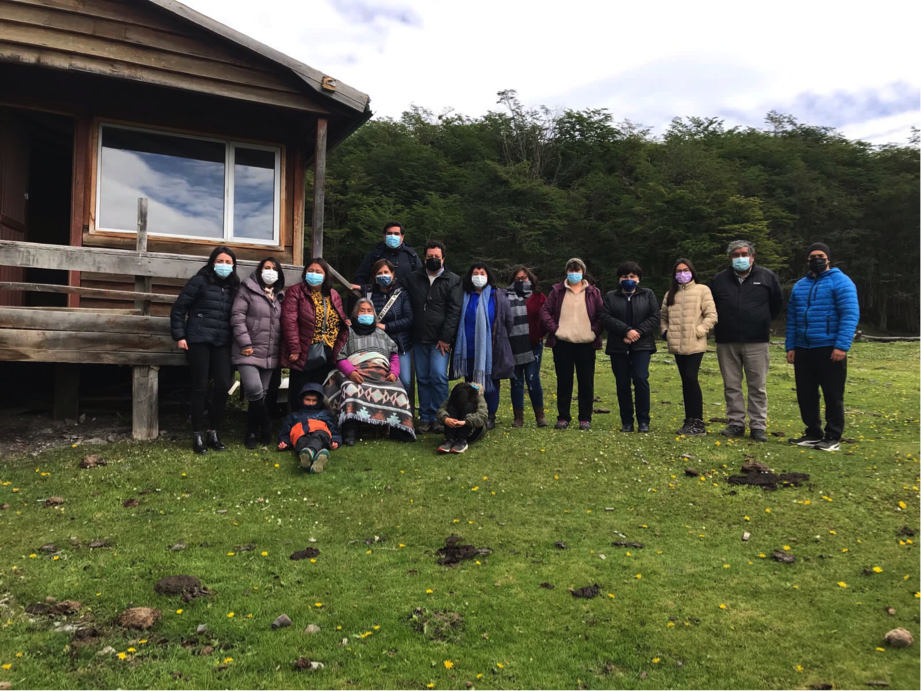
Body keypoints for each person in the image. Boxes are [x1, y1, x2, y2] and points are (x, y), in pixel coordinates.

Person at [785, 242, 859, 452]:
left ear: (828, 259)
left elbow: (850, 315)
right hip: (803, 348)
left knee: (832, 394)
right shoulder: (800, 285)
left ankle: (833, 436)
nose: (816, 259)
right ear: (807, 260)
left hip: (829, 348)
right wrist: (790, 346)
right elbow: (792, 318)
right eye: (812, 257)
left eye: (820, 255)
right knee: (806, 393)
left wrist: (842, 346)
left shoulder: (842, 282)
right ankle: (812, 432)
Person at [709, 240, 783, 442]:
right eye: (735, 255)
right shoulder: (719, 279)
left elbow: (777, 303)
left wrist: (762, 321)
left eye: (744, 254)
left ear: (752, 256)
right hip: (726, 340)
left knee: (757, 385)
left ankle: (758, 426)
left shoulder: (766, 276)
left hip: (757, 340)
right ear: (729, 258)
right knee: (731, 384)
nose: (740, 258)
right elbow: (711, 306)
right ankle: (735, 423)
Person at [170, 246, 239, 454]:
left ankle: (213, 431)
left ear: (233, 265)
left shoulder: (234, 286)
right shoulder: (198, 281)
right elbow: (179, 308)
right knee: (199, 386)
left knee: (223, 385)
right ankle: (197, 435)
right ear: (212, 262)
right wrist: (179, 336)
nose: (224, 265)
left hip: (223, 342)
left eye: (228, 262)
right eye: (220, 261)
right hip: (198, 339)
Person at [324, 299, 416, 445]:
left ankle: (398, 429)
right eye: (362, 310)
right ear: (355, 314)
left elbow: (394, 354)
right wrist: (351, 372)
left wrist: (394, 372)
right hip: (357, 372)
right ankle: (349, 429)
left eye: (369, 311)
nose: (366, 313)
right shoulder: (348, 332)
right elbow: (340, 356)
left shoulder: (381, 333)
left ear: (374, 314)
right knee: (350, 388)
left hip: (381, 373)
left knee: (398, 389)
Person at [404, 240, 463, 433]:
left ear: (443, 258)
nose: (433, 259)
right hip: (418, 337)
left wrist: (446, 338)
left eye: (437, 256)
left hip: (441, 341)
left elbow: (454, 311)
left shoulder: (453, 280)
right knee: (422, 378)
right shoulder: (413, 278)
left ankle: (441, 417)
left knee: (438, 376)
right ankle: (426, 417)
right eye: (430, 256)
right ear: (424, 257)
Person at [540, 258, 603, 431]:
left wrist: (594, 332)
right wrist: (555, 330)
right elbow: (545, 311)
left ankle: (585, 418)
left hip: (586, 344)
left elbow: (601, 314)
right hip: (563, 343)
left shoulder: (593, 292)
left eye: (577, 270)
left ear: (583, 271)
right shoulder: (557, 291)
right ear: (566, 271)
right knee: (564, 381)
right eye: (571, 269)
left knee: (586, 382)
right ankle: (563, 417)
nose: (574, 273)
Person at [451, 262, 515, 429]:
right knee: (471, 384)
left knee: (491, 383)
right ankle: (473, 413)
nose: (478, 276)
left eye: (482, 273)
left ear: (488, 276)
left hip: (491, 349)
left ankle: (490, 416)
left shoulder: (498, 295)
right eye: (475, 273)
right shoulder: (465, 295)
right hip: (468, 348)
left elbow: (508, 321)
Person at [281, 258, 349, 411]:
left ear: (325, 275)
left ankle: (316, 421)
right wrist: (294, 348)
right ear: (305, 273)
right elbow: (289, 321)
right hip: (304, 349)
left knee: (319, 387)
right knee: (300, 387)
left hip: (327, 349)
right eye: (311, 271)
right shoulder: (296, 292)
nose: (314, 274)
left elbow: (340, 318)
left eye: (318, 271)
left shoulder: (333, 294)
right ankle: (296, 420)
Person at [231, 257, 286, 449]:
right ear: (259, 271)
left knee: (261, 394)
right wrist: (245, 342)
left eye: (274, 268)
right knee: (253, 390)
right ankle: (267, 424)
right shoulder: (246, 290)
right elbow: (237, 317)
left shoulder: (280, 296)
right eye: (266, 268)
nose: (270, 271)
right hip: (247, 350)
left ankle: (251, 432)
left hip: (270, 352)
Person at [660, 258, 718, 437]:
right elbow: (663, 317)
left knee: (691, 378)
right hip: (677, 345)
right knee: (686, 381)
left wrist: (699, 331)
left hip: (695, 344)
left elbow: (711, 315)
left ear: (692, 271)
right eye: (678, 271)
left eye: (685, 270)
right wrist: (665, 333)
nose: (682, 274)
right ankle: (689, 420)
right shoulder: (670, 293)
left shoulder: (702, 290)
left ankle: (698, 422)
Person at [601, 261, 660, 433]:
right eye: (625, 276)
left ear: (638, 278)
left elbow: (654, 317)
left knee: (641, 379)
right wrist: (625, 331)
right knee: (622, 383)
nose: (629, 279)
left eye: (632, 276)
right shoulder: (611, 296)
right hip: (618, 346)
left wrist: (637, 333)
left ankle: (644, 421)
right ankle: (627, 421)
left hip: (642, 345)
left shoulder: (648, 294)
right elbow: (605, 317)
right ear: (619, 279)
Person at [361, 259, 414, 392]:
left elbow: (409, 319)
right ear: (374, 276)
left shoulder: (402, 294)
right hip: (376, 345)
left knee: (405, 381)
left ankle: (402, 410)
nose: (383, 275)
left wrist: (386, 326)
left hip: (399, 345)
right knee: (378, 381)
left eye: (386, 272)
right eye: (379, 273)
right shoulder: (369, 294)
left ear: (392, 274)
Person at [505, 266, 548, 428]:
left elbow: (547, 316)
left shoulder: (539, 296)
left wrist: (540, 333)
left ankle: (540, 416)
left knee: (532, 379)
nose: (521, 281)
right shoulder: (505, 296)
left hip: (534, 345)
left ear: (531, 279)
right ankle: (518, 418)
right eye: (518, 279)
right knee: (516, 381)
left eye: (524, 278)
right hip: (513, 345)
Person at [277, 383, 341, 473]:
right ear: (302, 399)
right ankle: (314, 461)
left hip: (321, 432)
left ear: (318, 401)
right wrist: (284, 442)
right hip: (301, 434)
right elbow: (285, 432)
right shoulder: (293, 416)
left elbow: (333, 429)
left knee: (318, 436)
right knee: (301, 442)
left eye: (314, 400)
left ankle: (309, 454)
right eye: (308, 400)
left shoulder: (325, 414)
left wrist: (336, 441)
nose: (310, 403)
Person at [351, 221, 421, 288]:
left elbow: (420, 280)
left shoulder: (411, 256)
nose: (393, 236)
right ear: (384, 235)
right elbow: (360, 279)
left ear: (402, 236)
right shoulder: (374, 255)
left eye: (396, 234)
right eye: (389, 233)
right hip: (378, 297)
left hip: (405, 298)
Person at [436, 382, 488, 454]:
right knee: (451, 407)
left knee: (468, 407)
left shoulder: (478, 396)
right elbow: (441, 410)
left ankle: (462, 440)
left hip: (472, 429)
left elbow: (483, 415)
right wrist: (445, 419)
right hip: (456, 423)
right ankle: (449, 439)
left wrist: (466, 422)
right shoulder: (455, 395)